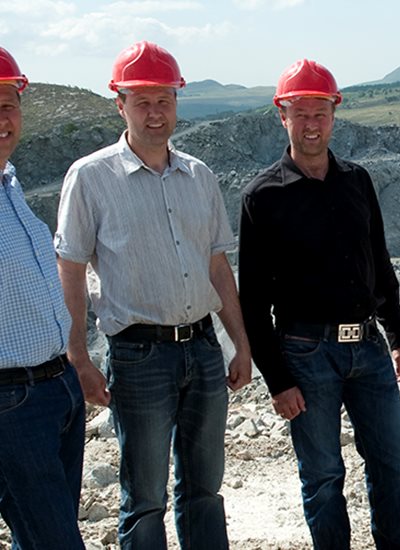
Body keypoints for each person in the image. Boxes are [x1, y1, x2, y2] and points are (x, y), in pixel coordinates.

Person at [54, 41, 251, 550]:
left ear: (177, 102)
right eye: (141, 101)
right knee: (145, 497)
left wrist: (241, 343)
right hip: (139, 355)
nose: (155, 113)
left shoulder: (199, 175)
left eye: (163, 100)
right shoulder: (90, 177)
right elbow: (70, 270)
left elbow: (216, 265)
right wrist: (79, 357)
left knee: (205, 489)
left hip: (204, 350)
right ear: (119, 104)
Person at [239, 59, 400, 550]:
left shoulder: (357, 181)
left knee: (393, 465)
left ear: (334, 115)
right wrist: (277, 379)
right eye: (301, 113)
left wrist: (397, 334)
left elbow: (378, 261)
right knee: (322, 475)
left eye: (320, 112)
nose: (311, 124)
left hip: (368, 346)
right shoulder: (262, 197)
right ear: (283, 116)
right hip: (305, 351)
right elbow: (251, 299)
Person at [0, 45, 86, 550]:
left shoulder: (10, 183)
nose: (3, 119)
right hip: (11, 402)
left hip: (57, 388)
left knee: (41, 537)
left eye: (9, 103)